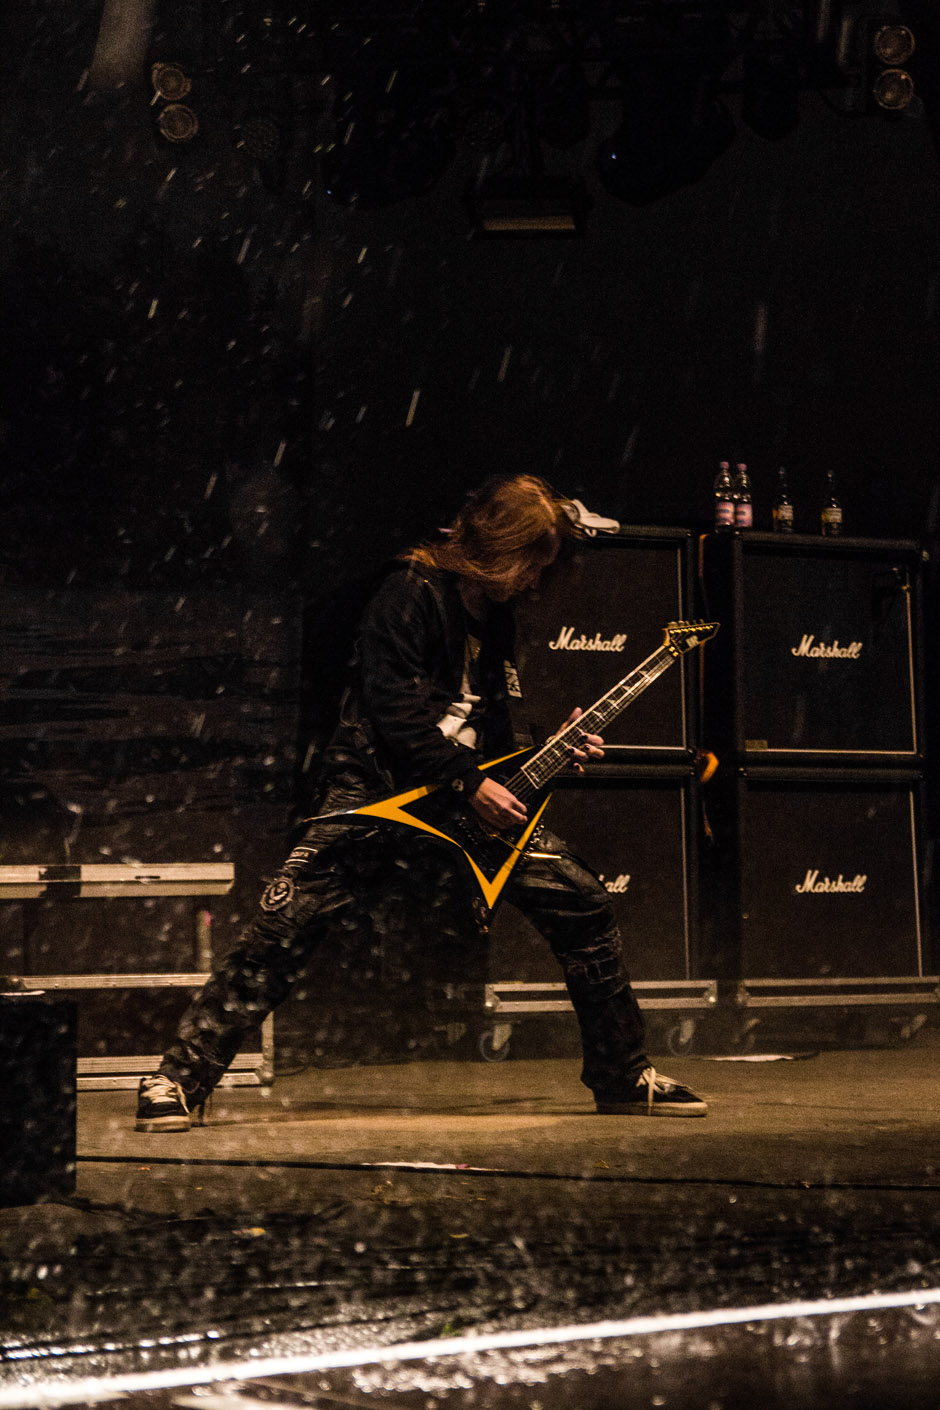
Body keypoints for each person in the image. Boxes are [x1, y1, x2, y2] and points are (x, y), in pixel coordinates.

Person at [135, 474, 707, 1131]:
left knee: (581, 900)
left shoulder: (494, 613)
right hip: (378, 789)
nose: (534, 582)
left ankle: (622, 1075)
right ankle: (175, 1079)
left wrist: (545, 755)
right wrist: (469, 782)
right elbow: (395, 714)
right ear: (500, 548)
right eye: (531, 565)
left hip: (460, 795)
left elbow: (489, 725)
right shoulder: (409, 591)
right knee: (283, 926)